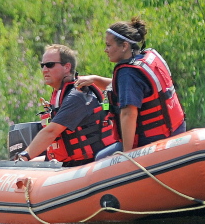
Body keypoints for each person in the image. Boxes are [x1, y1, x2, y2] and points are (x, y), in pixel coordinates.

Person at [75, 19, 186, 160]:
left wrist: (127, 155)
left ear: (124, 46)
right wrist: (97, 80)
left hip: (153, 140)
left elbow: (129, 114)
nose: (106, 50)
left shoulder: (127, 73)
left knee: (100, 159)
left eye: (108, 45)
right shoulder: (145, 58)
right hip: (176, 130)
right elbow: (134, 89)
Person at [15, 44, 116, 166]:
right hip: (72, 163)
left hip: (91, 165)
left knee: (25, 162)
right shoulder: (60, 94)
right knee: (27, 166)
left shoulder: (76, 96)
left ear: (67, 67)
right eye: (43, 65)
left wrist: (24, 156)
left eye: (50, 65)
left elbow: (51, 132)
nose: (44, 69)